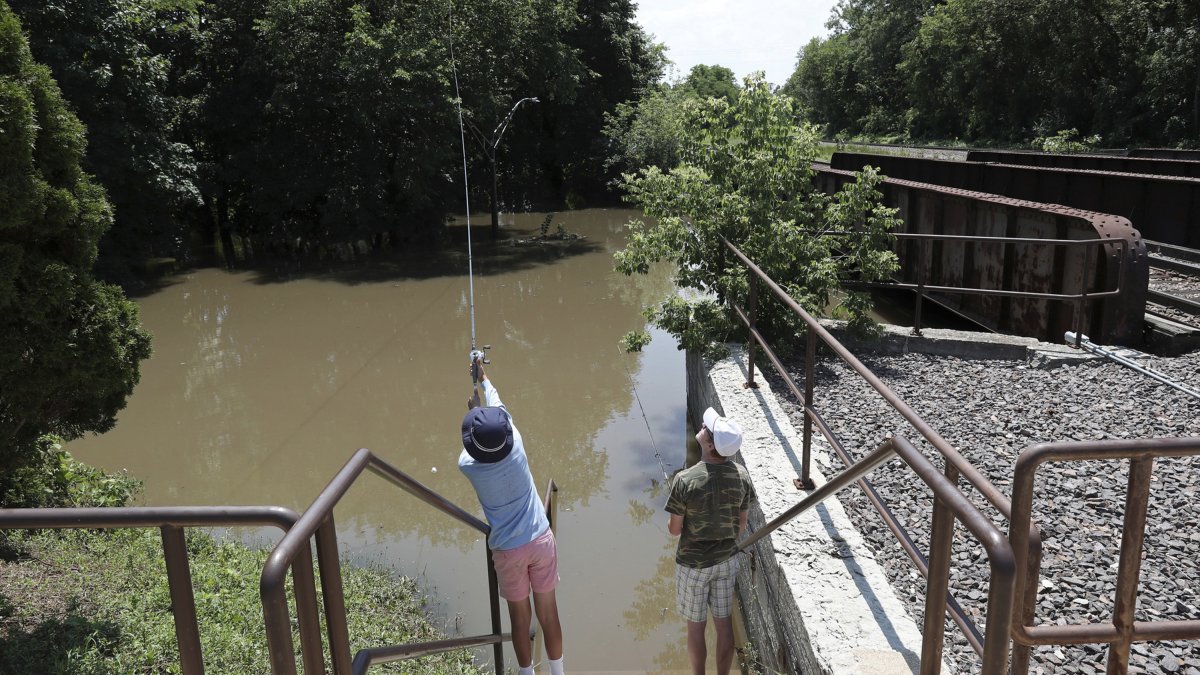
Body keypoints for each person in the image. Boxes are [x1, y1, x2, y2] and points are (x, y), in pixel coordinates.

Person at [458, 357, 564, 675]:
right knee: (548, 613)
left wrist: (470, 411)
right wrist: (485, 379)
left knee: (520, 618)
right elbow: (500, 409)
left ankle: (526, 673)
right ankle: (558, 672)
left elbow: (472, 444)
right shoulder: (516, 444)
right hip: (540, 540)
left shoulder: (467, 466)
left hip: (508, 550)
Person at [665, 406, 755, 675]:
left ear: (708, 442)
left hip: (693, 566)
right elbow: (740, 525)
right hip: (726, 562)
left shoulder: (685, 480)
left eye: (706, 428)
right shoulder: (741, 476)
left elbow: (674, 530)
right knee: (724, 623)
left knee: (696, 627)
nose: (702, 428)